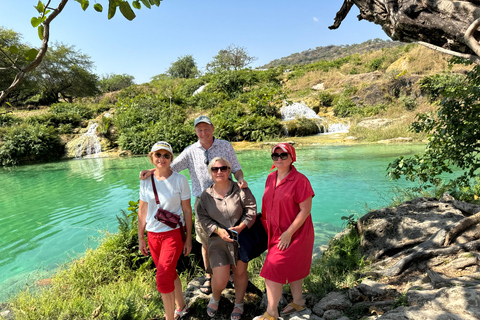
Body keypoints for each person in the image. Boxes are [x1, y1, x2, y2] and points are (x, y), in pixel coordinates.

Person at [140, 115, 248, 294]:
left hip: (226, 198)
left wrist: (241, 179)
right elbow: (171, 166)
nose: (203, 133)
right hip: (202, 201)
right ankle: (209, 276)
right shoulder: (191, 150)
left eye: (206, 129)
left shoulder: (225, 146)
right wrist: (153, 170)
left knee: (229, 238)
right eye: (199, 130)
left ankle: (229, 274)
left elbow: (236, 167)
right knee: (206, 242)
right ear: (195, 132)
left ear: (213, 128)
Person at [257, 143, 315, 320]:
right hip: (275, 232)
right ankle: (299, 301)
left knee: (272, 270)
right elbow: (267, 206)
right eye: (275, 156)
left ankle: (272, 312)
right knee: (293, 266)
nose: (279, 159)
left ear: (292, 157)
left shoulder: (300, 180)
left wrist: (288, 233)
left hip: (296, 233)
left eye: (284, 155)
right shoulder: (270, 178)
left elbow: (305, 210)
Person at [196, 157, 257, 320]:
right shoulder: (206, 195)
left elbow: (251, 209)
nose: (219, 172)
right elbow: (202, 216)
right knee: (221, 277)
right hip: (218, 241)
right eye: (215, 169)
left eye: (223, 168)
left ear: (230, 171)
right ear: (210, 173)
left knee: (240, 273)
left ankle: (239, 303)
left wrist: (241, 226)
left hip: (241, 238)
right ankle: (215, 297)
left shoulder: (241, 189)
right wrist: (217, 230)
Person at [138, 141, 193, 320]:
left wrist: (189, 239)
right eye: (158, 155)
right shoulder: (146, 180)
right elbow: (143, 210)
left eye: (166, 155)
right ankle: (181, 306)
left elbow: (187, 210)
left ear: (171, 158)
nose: (162, 158)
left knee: (162, 278)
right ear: (152, 157)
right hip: (152, 235)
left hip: (172, 235)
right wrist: (141, 237)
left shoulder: (180, 180)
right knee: (170, 272)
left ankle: (170, 317)